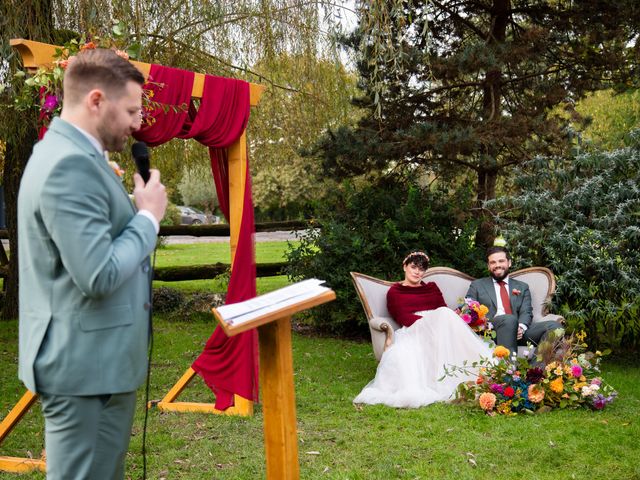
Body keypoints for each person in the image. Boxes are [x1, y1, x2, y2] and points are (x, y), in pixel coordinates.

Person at [18, 48, 168, 479]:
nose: (138, 123)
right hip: (85, 371)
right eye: (132, 110)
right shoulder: (69, 166)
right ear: (97, 100)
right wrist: (147, 218)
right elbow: (97, 274)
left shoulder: (72, 155)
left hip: (97, 367)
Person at [353, 252, 493, 408]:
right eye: (413, 267)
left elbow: (444, 309)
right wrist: (429, 324)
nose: (417, 272)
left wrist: (439, 323)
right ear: (405, 267)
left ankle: (485, 371)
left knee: (446, 314)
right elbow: (402, 317)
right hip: (414, 329)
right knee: (443, 315)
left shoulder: (432, 288)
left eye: (421, 269)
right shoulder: (395, 292)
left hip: (439, 326)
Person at [466, 246, 562, 356]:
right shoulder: (477, 285)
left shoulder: (522, 287)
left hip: (519, 333)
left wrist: (521, 327)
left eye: (501, 261)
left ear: (509, 263)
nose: (497, 265)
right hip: (492, 332)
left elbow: (526, 311)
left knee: (555, 327)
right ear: (488, 266)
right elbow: (468, 310)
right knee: (509, 319)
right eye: (493, 262)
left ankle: (535, 370)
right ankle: (508, 370)